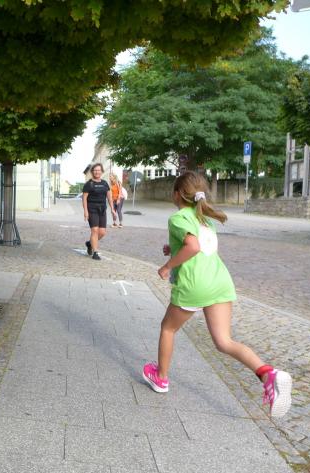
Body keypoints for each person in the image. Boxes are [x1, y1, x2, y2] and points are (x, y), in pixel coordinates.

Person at [143, 171, 292, 418]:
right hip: (220, 282)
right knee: (224, 341)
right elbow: (201, 247)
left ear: (177, 194)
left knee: (168, 328)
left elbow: (193, 246)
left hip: (195, 285)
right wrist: (174, 248)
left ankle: (161, 378)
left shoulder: (178, 218)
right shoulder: (205, 219)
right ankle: (268, 374)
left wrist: (167, 266)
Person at [82, 163, 115, 260]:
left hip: (102, 210)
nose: (97, 172)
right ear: (92, 172)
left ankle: (89, 243)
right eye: (95, 170)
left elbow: (109, 197)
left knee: (102, 232)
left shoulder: (105, 183)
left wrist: (112, 209)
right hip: (92, 209)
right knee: (95, 230)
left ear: (101, 171)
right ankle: (95, 252)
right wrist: (85, 211)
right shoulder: (89, 184)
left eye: (99, 170)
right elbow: (84, 199)